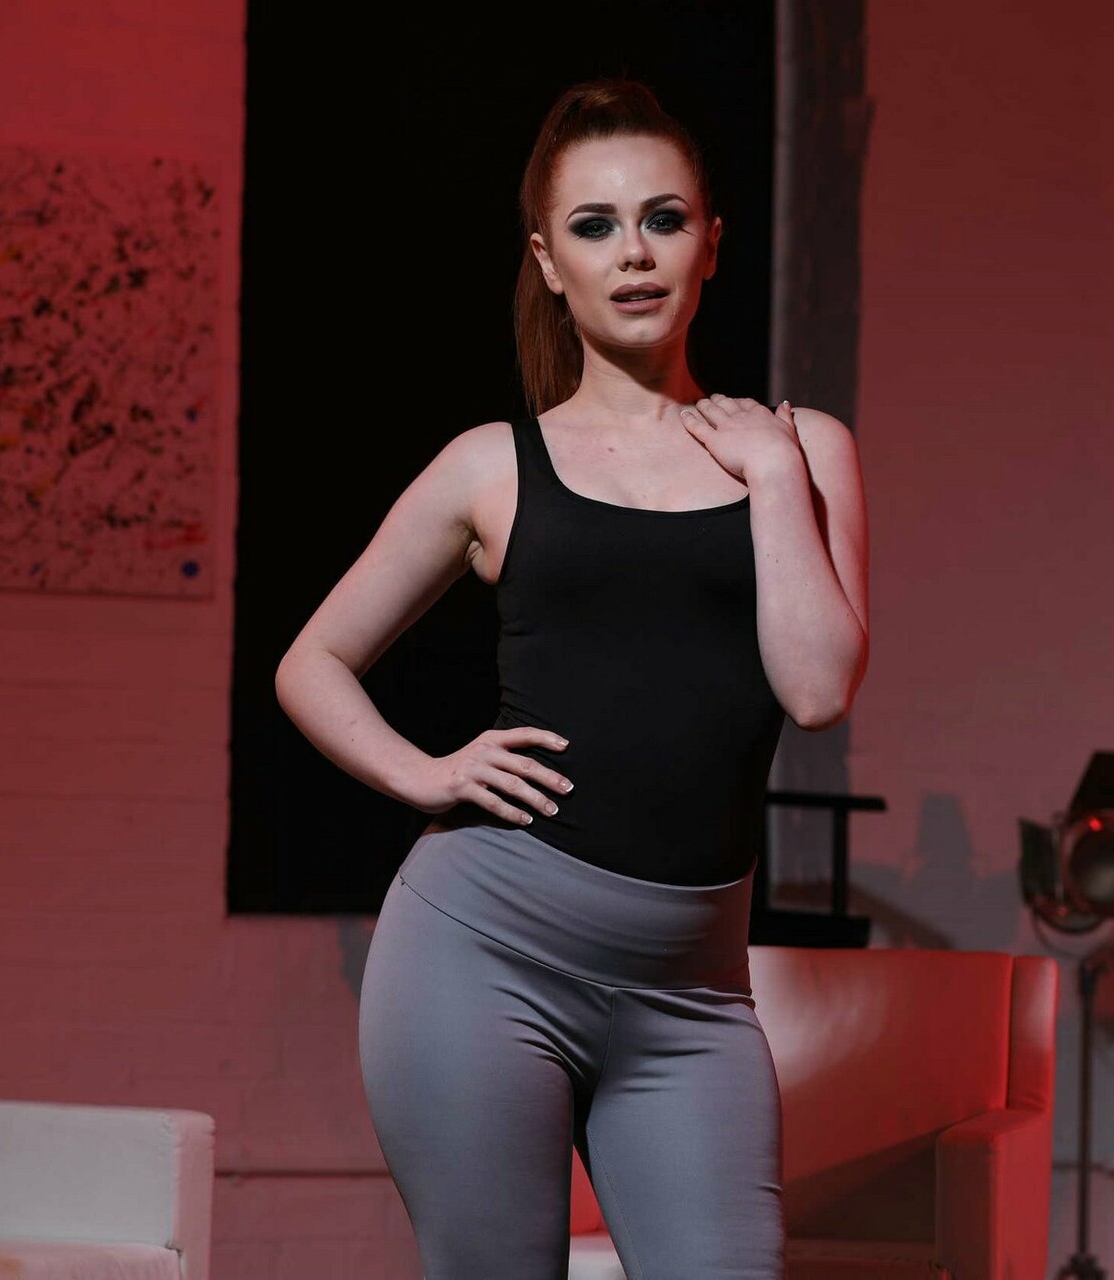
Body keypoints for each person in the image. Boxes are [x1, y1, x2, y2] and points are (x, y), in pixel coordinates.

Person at [274, 77, 868, 1278]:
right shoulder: (491, 466)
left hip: (694, 996)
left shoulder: (803, 448)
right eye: (594, 226)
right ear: (549, 262)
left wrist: (768, 475)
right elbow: (312, 661)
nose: (633, 252)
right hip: (480, 954)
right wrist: (425, 771)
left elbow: (817, 690)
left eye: (663, 218)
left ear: (711, 243)